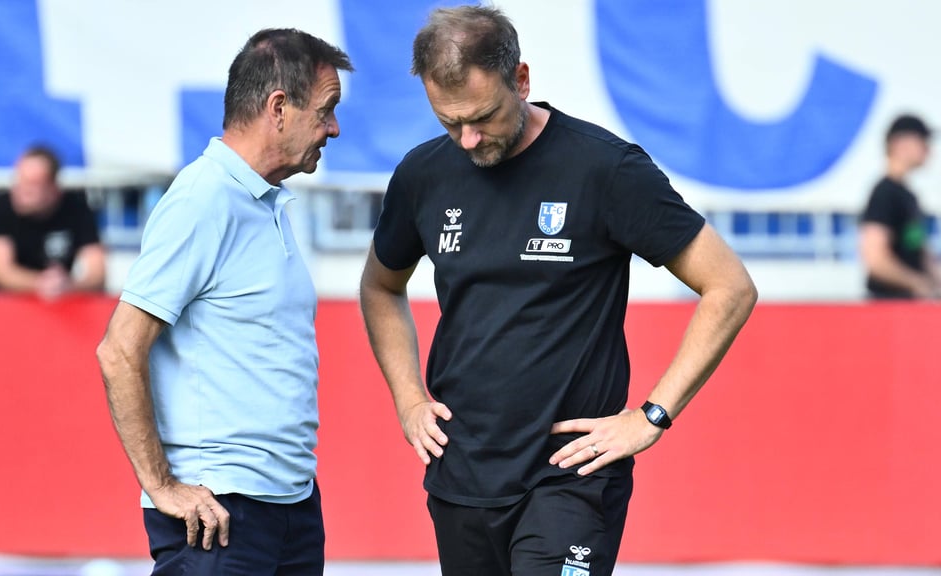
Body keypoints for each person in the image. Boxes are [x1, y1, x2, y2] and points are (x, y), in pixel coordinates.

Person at [358, 6, 758, 576]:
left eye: (484, 116)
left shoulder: (606, 169)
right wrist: (408, 399)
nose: (468, 139)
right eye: (449, 123)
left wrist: (651, 416)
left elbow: (729, 286)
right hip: (462, 475)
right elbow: (380, 286)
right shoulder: (423, 175)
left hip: (571, 478)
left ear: (521, 80)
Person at [95, 29, 352, 576]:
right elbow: (119, 351)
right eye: (326, 110)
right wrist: (162, 485)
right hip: (219, 514)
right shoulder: (202, 198)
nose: (334, 127)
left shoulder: (267, 201)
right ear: (278, 107)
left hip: (292, 505)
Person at [0, 144, 105, 298]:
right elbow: (1, 272)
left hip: (61, 306)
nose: (22, 190)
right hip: (5, 303)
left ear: (54, 189)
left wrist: (69, 286)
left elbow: (97, 271)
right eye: (20, 180)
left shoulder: (77, 210)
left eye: (33, 184)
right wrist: (41, 283)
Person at [859, 114, 939, 299]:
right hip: (889, 309)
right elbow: (875, 258)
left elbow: (919, 251)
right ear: (900, 144)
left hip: (909, 307)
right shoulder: (884, 193)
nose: (928, 149)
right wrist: (917, 282)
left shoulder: (908, 196)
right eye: (923, 141)